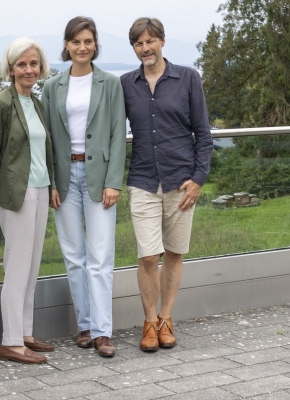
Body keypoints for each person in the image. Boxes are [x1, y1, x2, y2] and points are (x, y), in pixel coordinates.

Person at [120, 17, 212, 352]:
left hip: (181, 182)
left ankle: (166, 319)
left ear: (162, 41)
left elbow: (203, 133)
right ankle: (148, 322)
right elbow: (114, 132)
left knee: (174, 252)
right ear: (134, 48)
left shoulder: (188, 78)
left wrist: (198, 179)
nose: (145, 48)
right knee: (148, 256)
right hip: (142, 180)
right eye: (138, 43)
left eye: (150, 41)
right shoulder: (126, 84)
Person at [41, 16, 126, 358]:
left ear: (95, 45)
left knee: (101, 258)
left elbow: (118, 133)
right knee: (74, 256)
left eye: (87, 41)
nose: (81, 47)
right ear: (67, 45)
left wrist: (113, 181)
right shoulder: (52, 87)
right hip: (64, 179)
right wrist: (50, 182)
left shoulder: (110, 83)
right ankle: (85, 326)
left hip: (100, 178)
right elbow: (46, 140)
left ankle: (104, 332)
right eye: (75, 41)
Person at [0, 37, 54, 364]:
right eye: (22, 64)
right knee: (17, 266)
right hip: (17, 195)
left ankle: (24, 332)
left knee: (32, 265)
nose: (28, 69)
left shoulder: (36, 103)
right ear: (11, 69)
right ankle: (10, 342)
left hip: (40, 190)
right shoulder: (0, 104)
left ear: (41, 67)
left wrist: (50, 185)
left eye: (33, 63)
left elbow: (42, 151)